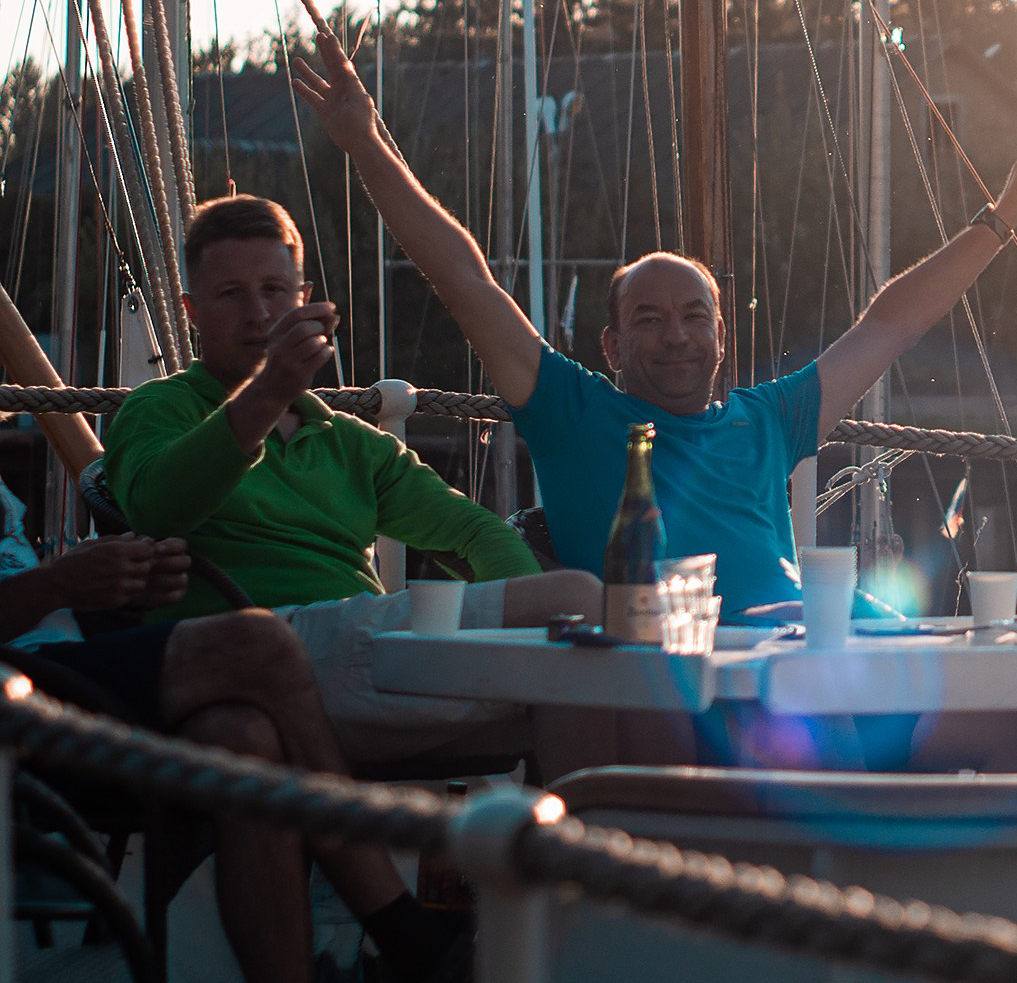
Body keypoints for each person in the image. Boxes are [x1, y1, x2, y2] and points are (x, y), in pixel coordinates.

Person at [294, 27, 1017, 772]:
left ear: (721, 336)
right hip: (734, 687)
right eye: (649, 319)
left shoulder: (773, 416)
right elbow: (466, 281)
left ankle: (945, 893)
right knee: (802, 721)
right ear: (611, 345)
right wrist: (367, 144)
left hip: (846, 651)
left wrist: (1001, 220)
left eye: (695, 317)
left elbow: (891, 323)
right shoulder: (573, 411)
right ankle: (848, 884)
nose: (676, 337)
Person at [103, 194, 646, 775]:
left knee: (575, 648)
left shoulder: (352, 442)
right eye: (231, 295)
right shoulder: (158, 409)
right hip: (244, 654)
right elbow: (156, 508)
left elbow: (472, 530)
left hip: (358, 657)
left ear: (304, 301)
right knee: (577, 603)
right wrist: (268, 391)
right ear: (191, 310)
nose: (258, 314)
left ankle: (588, 851)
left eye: (274, 292)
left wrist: (514, 638)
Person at [0, 481, 469, 983]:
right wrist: (57, 585)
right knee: (259, 641)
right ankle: (400, 927)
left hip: (54, 671)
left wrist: (111, 591)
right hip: (23, 699)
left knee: (244, 737)